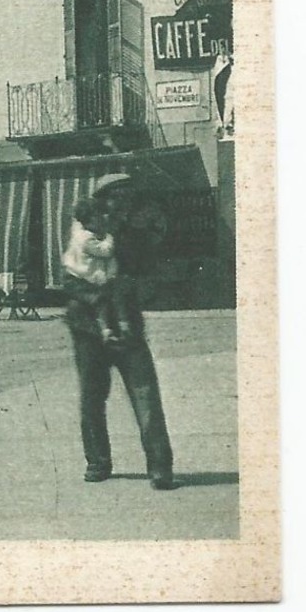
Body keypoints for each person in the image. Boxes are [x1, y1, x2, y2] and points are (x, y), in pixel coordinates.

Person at [62, 173, 176, 490]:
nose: (121, 206)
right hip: (87, 329)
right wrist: (101, 296)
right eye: (115, 199)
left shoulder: (136, 237)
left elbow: (149, 279)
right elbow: (69, 280)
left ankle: (160, 468)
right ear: (102, 202)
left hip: (128, 329)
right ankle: (97, 461)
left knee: (146, 396)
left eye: (127, 199)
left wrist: (128, 290)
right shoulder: (85, 234)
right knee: (92, 397)